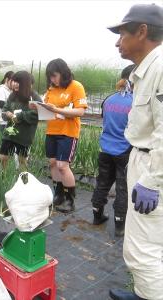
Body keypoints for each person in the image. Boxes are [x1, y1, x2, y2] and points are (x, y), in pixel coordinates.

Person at [106, 4, 163, 300]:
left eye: (122, 34)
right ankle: (145, 294)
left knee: (143, 251)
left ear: (142, 31)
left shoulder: (161, 68)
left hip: (154, 168)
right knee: (148, 244)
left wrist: (152, 182)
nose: (117, 42)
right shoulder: (146, 71)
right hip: (144, 159)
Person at [91, 64, 135, 237]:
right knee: (122, 187)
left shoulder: (109, 99)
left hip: (105, 148)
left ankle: (97, 214)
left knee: (102, 182)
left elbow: (105, 121)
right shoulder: (135, 102)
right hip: (124, 151)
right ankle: (119, 225)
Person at [42, 58, 88, 213]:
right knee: (53, 163)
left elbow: (80, 111)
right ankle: (58, 194)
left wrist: (57, 110)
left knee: (63, 166)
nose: (52, 80)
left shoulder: (76, 86)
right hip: (52, 130)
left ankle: (70, 199)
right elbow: (47, 108)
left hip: (68, 132)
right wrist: (36, 107)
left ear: (63, 73)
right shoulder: (51, 90)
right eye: (50, 77)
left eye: (54, 76)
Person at [0, 71, 40, 170]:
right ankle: (2, 178)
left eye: (18, 82)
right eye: (14, 81)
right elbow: (4, 110)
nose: (14, 84)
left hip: (24, 135)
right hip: (10, 133)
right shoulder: (12, 96)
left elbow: (37, 114)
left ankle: (23, 181)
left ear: (25, 83)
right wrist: (7, 115)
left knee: (22, 160)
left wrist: (19, 116)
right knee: (2, 157)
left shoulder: (34, 97)